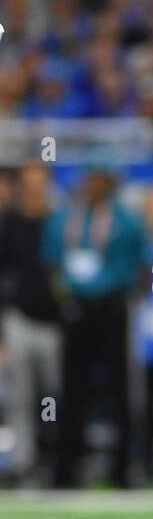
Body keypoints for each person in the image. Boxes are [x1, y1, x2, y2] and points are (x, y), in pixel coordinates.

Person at [45, 156, 152, 488]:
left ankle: (123, 468)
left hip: (112, 306)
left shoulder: (126, 219)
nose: (94, 184)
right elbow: (51, 263)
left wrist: (132, 296)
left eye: (100, 178)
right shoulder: (65, 217)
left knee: (120, 389)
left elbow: (145, 262)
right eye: (90, 178)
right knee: (73, 389)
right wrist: (63, 298)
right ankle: (67, 468)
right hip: (76, 308)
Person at [0, 162, 61, 485]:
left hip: (54, 322)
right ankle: (23, 463)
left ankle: (53, 458)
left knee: (53, 395)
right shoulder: (11, 223)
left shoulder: (59, 221)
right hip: (20, 319)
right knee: (21, 398)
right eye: (29, 183)